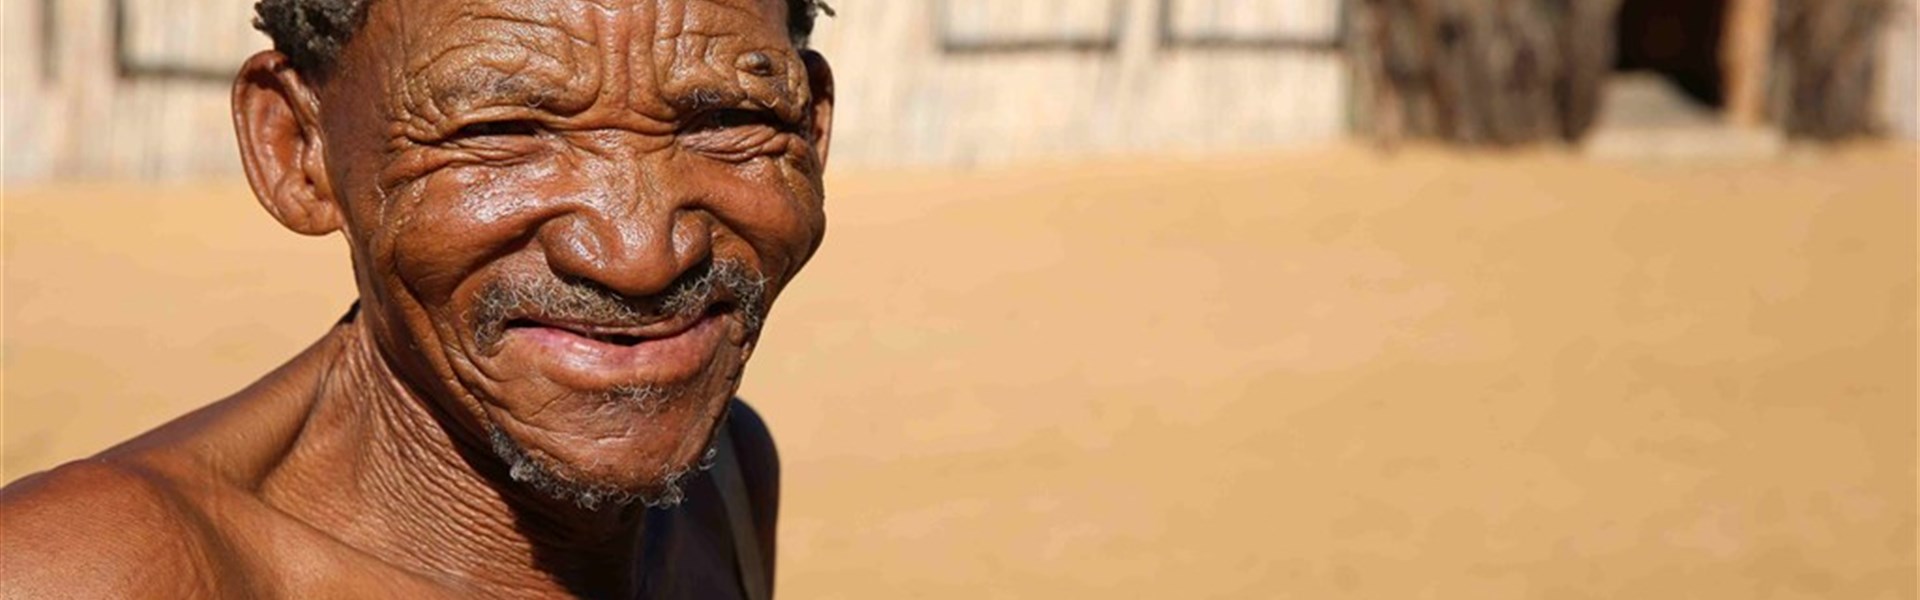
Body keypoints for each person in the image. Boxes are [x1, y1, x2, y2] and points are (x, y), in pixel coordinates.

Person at [0, 0, 835, 596]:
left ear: (814, 131)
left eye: (728, 119)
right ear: (299, 148)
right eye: (499, 133)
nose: (640, 254)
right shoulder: (93, 573)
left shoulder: (720, 482)